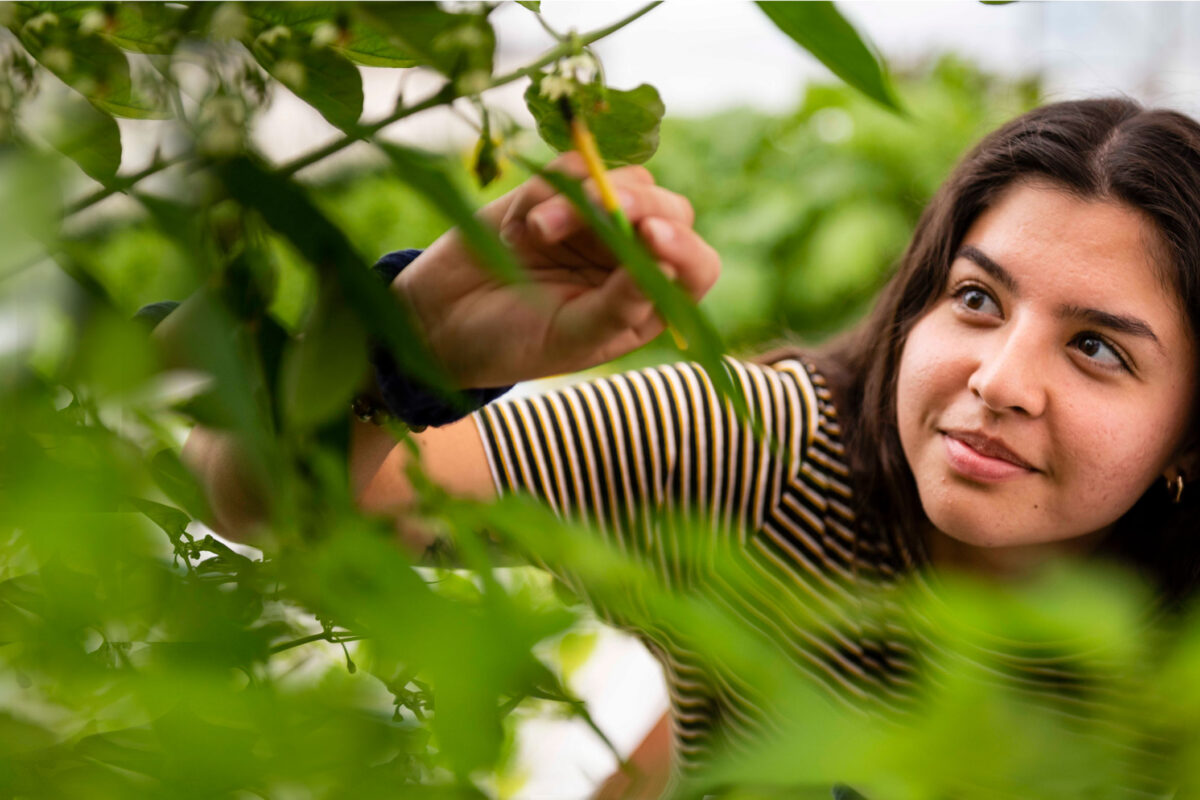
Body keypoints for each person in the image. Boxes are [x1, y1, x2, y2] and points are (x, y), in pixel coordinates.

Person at [199, 98, 1200, 795]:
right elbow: (262, 499)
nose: (998, 380)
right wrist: (404, 339)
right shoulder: (764, 449)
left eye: (1098, 347)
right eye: (976, 297)